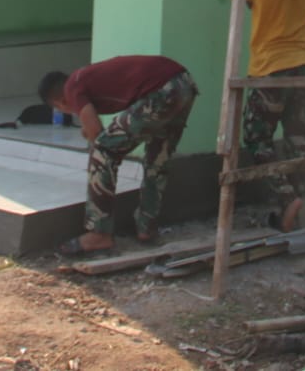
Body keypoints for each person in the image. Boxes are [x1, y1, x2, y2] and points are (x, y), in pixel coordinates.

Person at [159, 0, 305, 231]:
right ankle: (294, 205)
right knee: (297, 141)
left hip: (271, 69)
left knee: (257, 137)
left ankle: (286, 200)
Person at [39, 55, 197, 257]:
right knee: (157, 159)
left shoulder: (72, 86)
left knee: (102, 152)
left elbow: (97, 134)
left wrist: (94, 142)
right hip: (183, 84)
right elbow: (95, 127)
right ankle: (146, 226)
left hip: (162, 90)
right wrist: (91, 130)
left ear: (60, 102)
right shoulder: (85, 80)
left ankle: (99, 233)